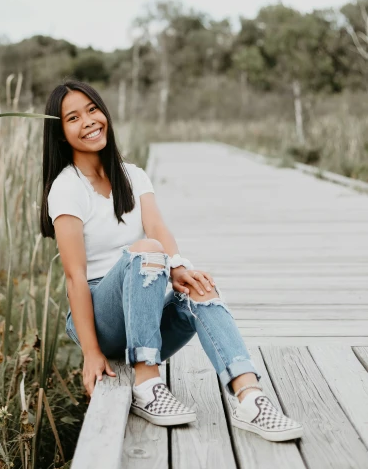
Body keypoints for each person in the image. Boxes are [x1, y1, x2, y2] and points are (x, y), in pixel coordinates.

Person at [39, 79, 303, 441]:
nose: (88, 121)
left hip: (142, 309)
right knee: (148, 250)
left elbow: (159, 228)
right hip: (101, 316)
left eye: (92, 109)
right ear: (60, 132)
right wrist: (90, 352)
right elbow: (74, 277)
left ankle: (249, 397)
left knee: (199, 287)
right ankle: (147, 385)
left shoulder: (133, 175)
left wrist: (181, 269)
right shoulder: (66, 187)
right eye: (73, 117)